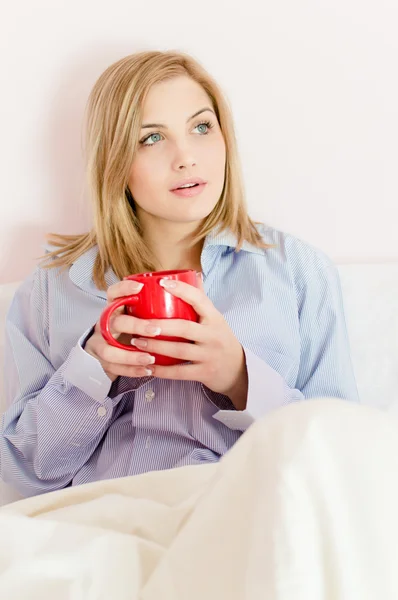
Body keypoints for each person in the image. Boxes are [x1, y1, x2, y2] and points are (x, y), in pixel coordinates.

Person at [0, 50, 359, 498]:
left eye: (202, 127)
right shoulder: (52, 289)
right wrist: (93, 366)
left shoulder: (298, 270)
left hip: (245, 520)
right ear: (113, 159)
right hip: (108, 527)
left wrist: (238, 378)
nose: (186, 157)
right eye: (151, 138)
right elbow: (26, 470)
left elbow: (345, 454)